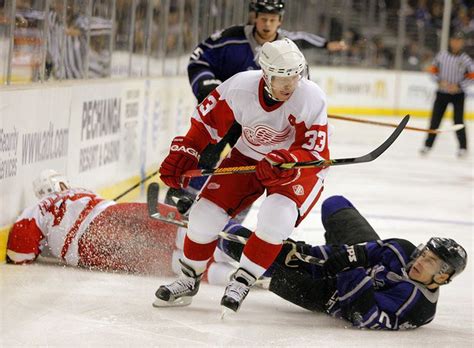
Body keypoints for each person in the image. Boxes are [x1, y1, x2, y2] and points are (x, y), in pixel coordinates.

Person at [154, 38, 330, 313]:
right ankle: (188, 279)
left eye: (296, 76)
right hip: (248, 155)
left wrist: (288, 160)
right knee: (203, 217)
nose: (290, 85)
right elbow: (205, 123)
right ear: (265, 74)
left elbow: (313, 151)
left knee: (276, 218)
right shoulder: (240, 86)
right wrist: (188, 149)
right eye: (282, 78)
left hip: (297, 167)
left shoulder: (310, 96)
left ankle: (243, 279)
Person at [167, 0, 345, 209]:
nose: (267, 25)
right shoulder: (229, 39)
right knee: (209, 150)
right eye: (263, 19)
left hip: (261, 121)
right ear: (254, 18)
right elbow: (198, 60)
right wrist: (206, 84)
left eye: (272, 20)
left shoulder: (287, 50)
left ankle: (234, 210)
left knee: (252, 166)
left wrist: (325, 45)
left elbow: (304, 40)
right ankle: (184, 196)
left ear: (280, 21)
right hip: (231, 111)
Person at [213, 195, 468, 330]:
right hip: (354, 272)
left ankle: (210, 234)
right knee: (335, 205)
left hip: (328, 297)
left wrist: (348, 268)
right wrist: (307, 253)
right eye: (425, 254)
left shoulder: (417, 306)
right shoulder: (402, 250)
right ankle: (215, 229)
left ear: (442, 277)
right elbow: (363, 251)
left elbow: (363, 317)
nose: (421, 260)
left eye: (431, 262)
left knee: (256, 255)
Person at [7, 169, 179, 276]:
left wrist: (45, 246)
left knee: (149, 258)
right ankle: (196, 237)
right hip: (109, 213)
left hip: (86, 245)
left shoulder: (39, 206)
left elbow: (19, 253)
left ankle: (191, 265)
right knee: (157, 218)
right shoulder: (80, 190)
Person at [420, 31, 473, 158]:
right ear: (450, 41)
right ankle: (427, 145)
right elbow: (432, 71)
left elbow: (472, 76)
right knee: (435, 120)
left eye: (458, 41)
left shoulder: (466, 60)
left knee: (458, 121)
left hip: (458, 95)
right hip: (442, 94)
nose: (456, 43)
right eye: (454, 40)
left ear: (462, 43)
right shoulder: (442, 56)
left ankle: (463, 147)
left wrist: (459, 86)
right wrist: (440, 81)